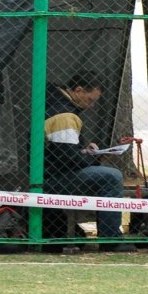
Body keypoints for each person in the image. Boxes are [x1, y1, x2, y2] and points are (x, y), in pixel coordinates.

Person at [43, 71, 135, 252]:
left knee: (104, 174)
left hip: (50, 173)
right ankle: (111, 238)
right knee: (111, 176)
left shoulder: (55, 103)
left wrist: (84, 151)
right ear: (78, 90)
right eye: (91, 100)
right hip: (52, 179)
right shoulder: (65, 115)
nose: (91, 105)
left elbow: (63, 151)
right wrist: (94, 157)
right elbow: (67, 159)